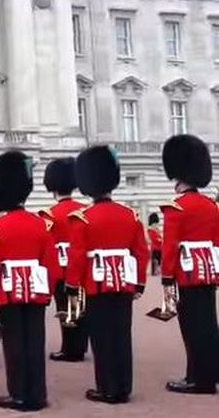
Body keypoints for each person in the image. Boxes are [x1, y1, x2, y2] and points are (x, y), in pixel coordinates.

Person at [66, 145, 149, 404]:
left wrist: (72, 284)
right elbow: (141, 252)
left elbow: (78, 256)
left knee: (102, 337)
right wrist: (139, 283)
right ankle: (123, 386)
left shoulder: (83, 218)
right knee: (122, 335)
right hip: (124, 282)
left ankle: (107, 388)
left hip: (96, 284)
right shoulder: (130, 215)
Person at [0, 151, 60, 412]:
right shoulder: (42, 224)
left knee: (14, 343)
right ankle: (37, 394)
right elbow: (51, 264)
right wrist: (48, 289)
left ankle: (18, 395)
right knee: (35, 341)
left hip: (8, 290)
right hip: (37, 289)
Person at [160, 134, 219, 395]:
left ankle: (197, 378)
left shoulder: (177, 207)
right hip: (208, 271)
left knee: (192, 327)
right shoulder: (210, 206)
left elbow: (170, 246)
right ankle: (210, 373)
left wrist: (166, 277)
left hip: (186, 273)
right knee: (208, 323)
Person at [40, 157, 89, 363]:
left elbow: (47, 247)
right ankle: (81, 345)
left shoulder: (49, 214)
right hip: (84, 266)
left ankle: (70, 348)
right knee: (83, 305)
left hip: (61, 267)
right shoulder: (84, 210)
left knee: (65, 308)